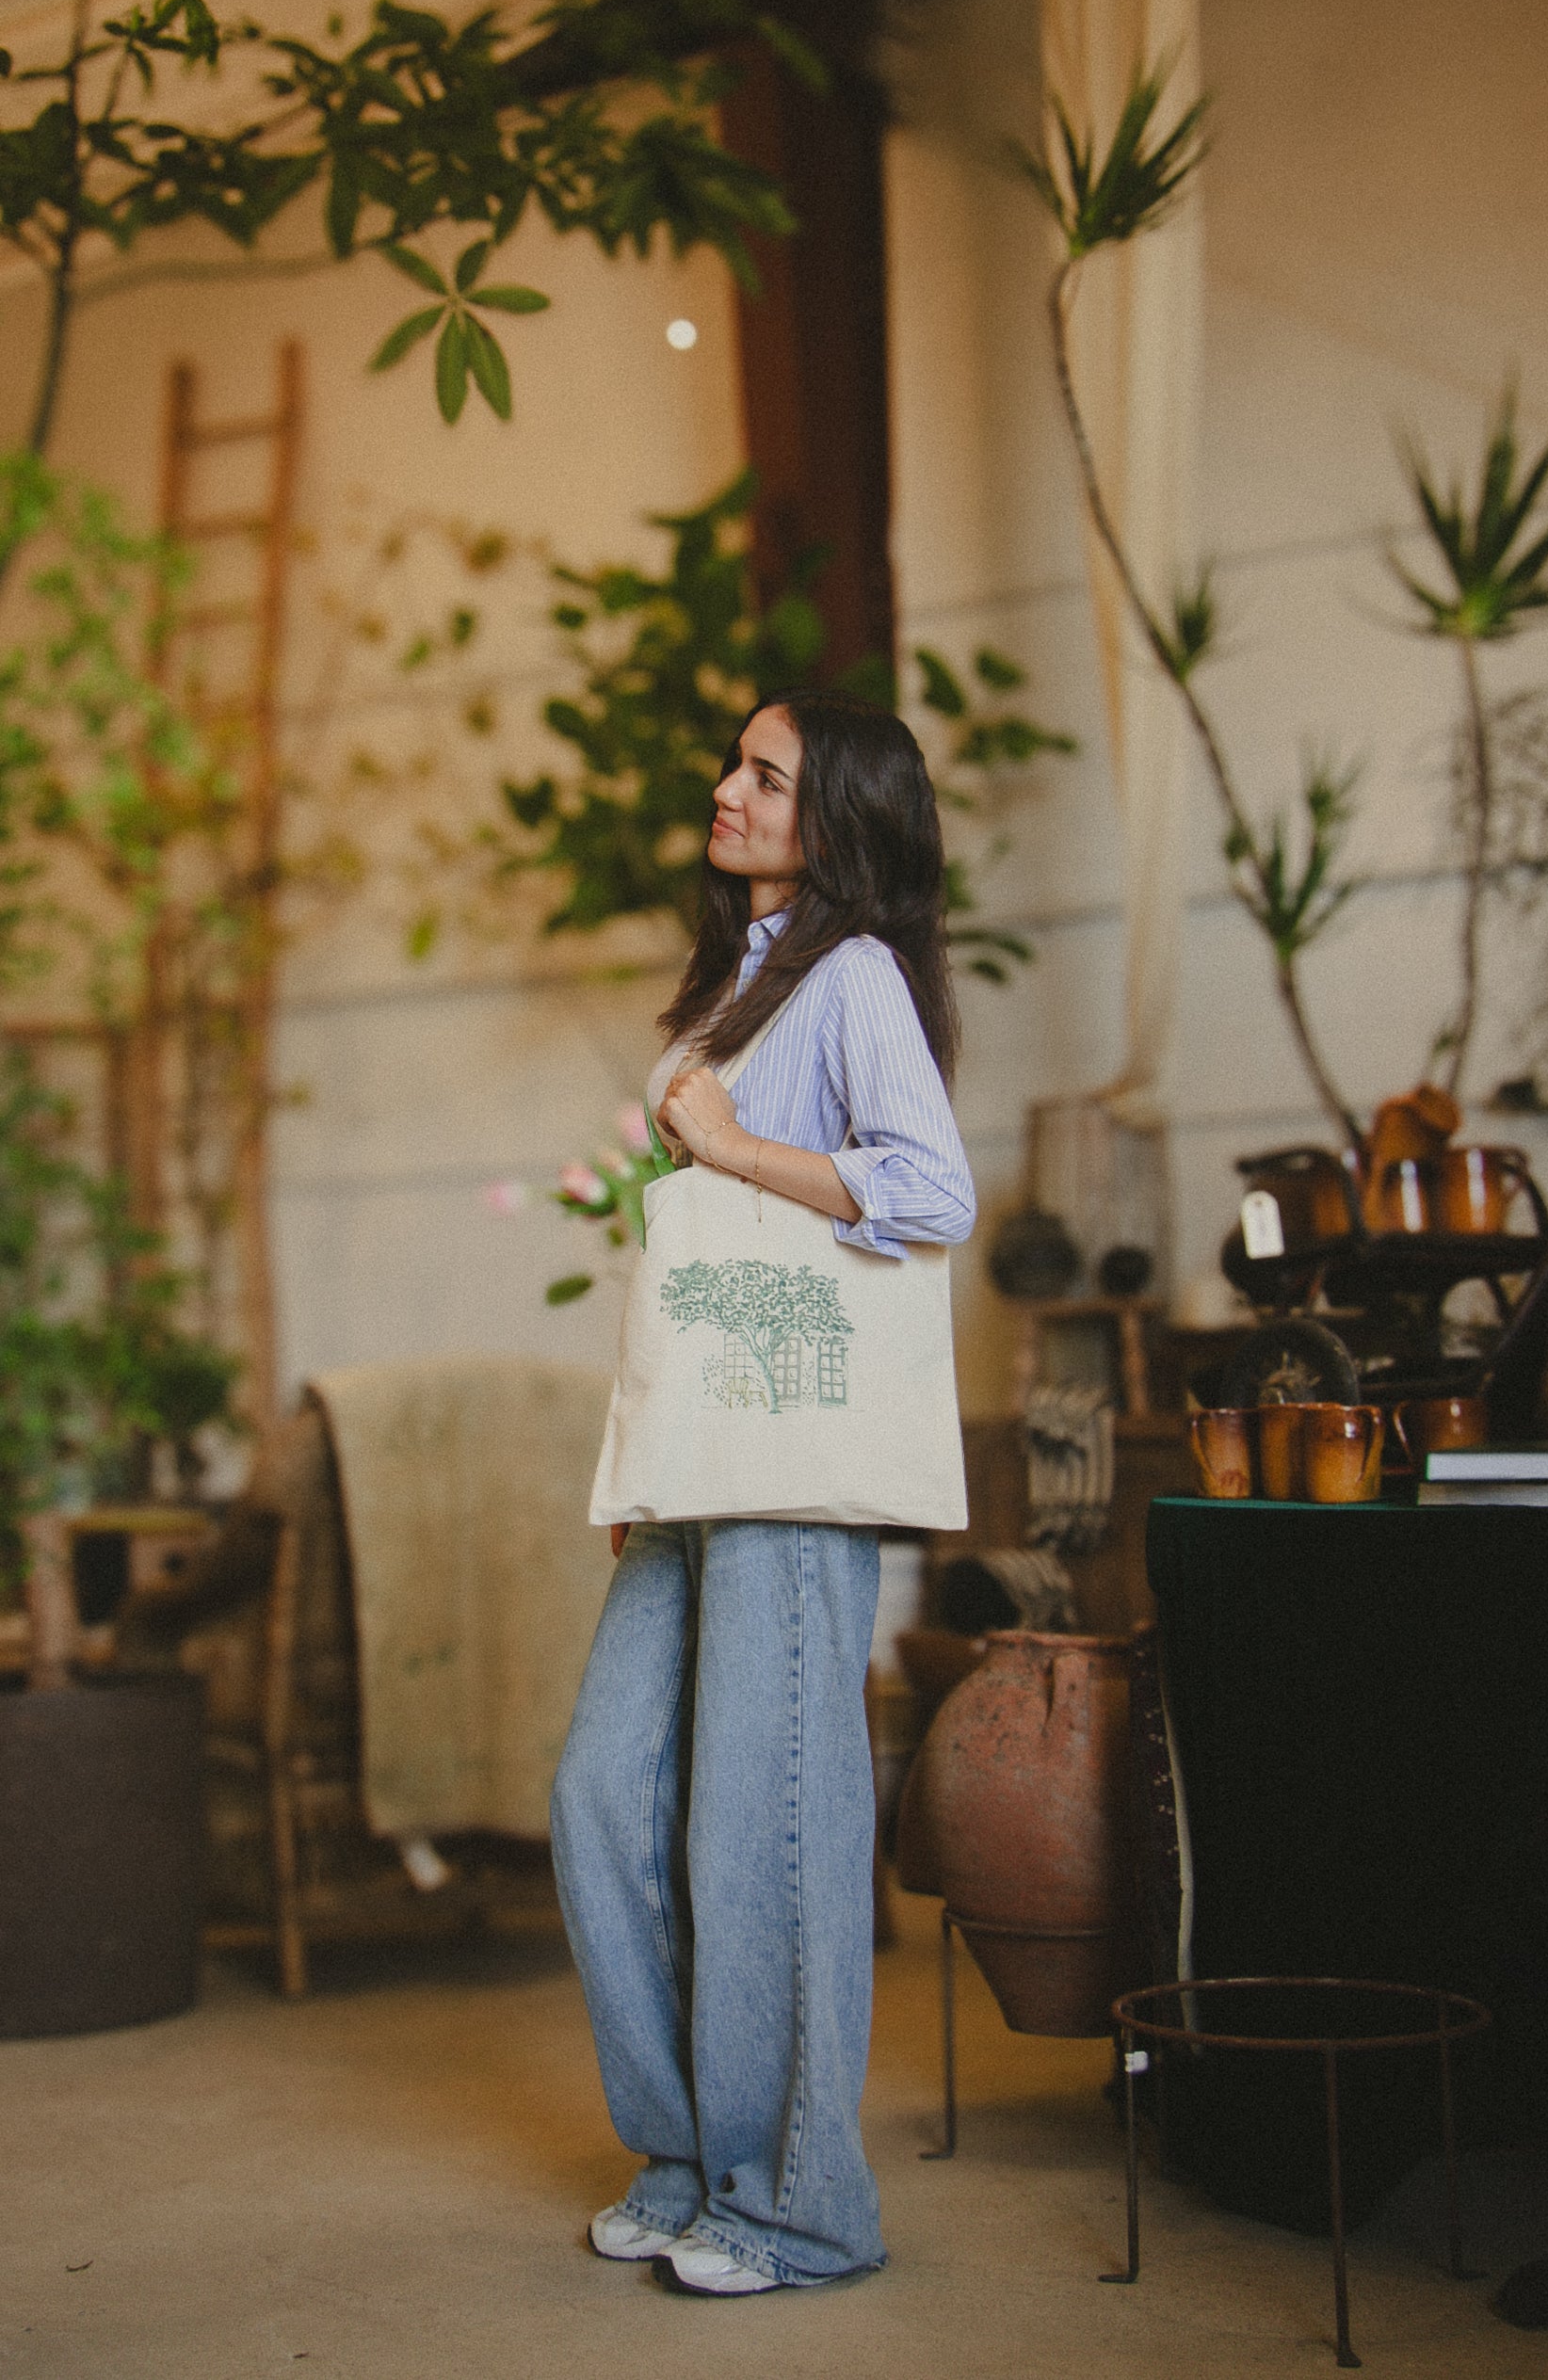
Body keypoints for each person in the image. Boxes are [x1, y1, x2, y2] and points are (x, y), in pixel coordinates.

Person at [550, 688, 976, 2296]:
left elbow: (931, 1190)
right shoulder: (733, 986)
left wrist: (722, 1142)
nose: (727, 787)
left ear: (837, 817)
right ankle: (690, 2149)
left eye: (765, 772)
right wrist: (640, 1455)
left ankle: (801, 2199)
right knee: (603, 1791)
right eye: (734, 761)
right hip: (702, 1461)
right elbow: (691, 1273)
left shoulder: (855, 974)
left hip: (794, 1463)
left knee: (764, 1820)